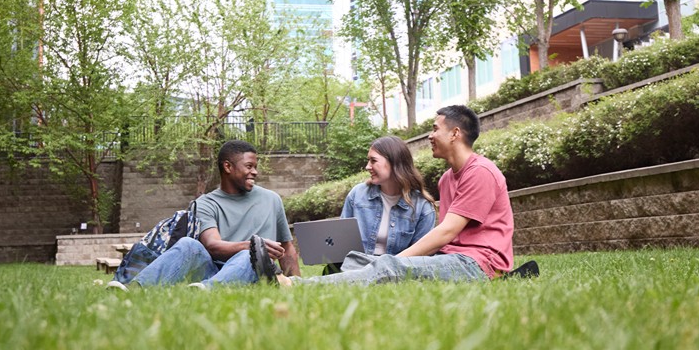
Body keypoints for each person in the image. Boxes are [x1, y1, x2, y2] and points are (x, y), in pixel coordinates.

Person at [251, 105, 516, 286]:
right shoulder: (448, 178)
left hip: (479, 264)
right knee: (358, 261)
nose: (430, 135)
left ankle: (293, 285)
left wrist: (394, 261)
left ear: (455, 133)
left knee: (387, 267)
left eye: (435, 128)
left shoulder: (480, 172)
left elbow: (445, 233)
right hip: (452, 258)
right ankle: (293, 280)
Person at [108, 140, 299, 291]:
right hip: (213, 270)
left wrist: (295, 282)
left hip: (257, 273)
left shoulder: (272, 200)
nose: (255, 172)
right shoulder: (205, 204)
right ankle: (135, 289)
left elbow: (287, 247)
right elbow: (212, 245)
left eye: (255, 166)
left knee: (250, 256)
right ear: (227, 167)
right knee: (188, 244)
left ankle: (206, 291)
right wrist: (254, 245)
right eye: (249, 166)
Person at [325, 135, 436, 273]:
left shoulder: (422, 207)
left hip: (397, 271)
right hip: (355, 266)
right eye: (368, 161)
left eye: (373, 161)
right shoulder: (357, 195)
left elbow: (421, 258)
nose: (367, 167)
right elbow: (341, 242)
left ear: (394, 163)